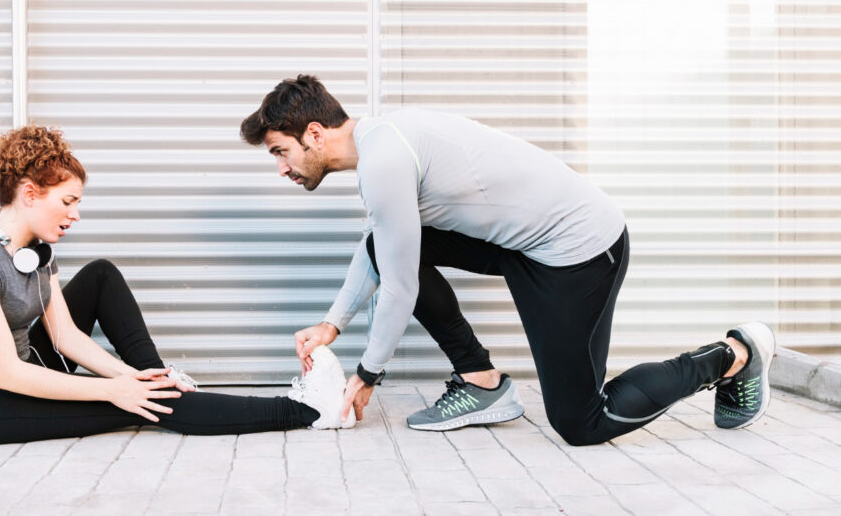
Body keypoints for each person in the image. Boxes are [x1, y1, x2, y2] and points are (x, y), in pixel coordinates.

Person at [239, 74, 776, 446]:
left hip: (580, 250)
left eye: (280, 151)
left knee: (582, 421)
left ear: (313, 133)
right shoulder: (382, 140)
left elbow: (400, 287)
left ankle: (733, 356)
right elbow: (382, 245)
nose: (282, 169)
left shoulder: (385, 156)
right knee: (387, 243)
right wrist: (333, 324)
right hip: (526, 246)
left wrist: (366, 374)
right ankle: (481, 383)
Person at [0, 124, 355, 445]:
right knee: (152, 408)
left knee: (102, 278)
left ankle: (159, 379)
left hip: (34, 370)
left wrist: (136, 378)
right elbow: (7, 374)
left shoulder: (38, 251)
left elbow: (66, 336)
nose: (75, 214)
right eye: (68, 201)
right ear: (30, 193)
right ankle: (308, 411)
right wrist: (115, 390)